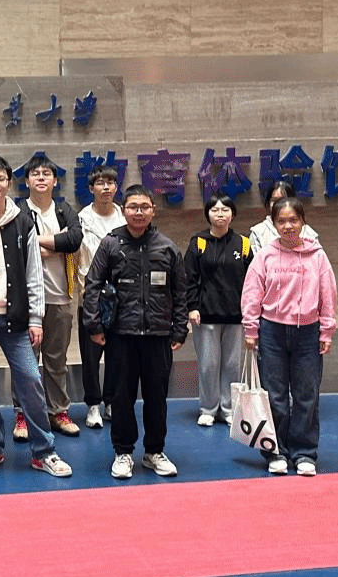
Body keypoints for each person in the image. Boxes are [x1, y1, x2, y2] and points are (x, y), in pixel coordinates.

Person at [0, 155, 72, 477]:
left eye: (0, 178)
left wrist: (35, 317)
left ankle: (44, 451)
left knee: (31, 380)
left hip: (15, 319)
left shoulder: (22, 222)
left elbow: (33, 273)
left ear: (9, 183)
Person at [82, 185, 187, 480]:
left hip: (158, 336)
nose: (138, 212)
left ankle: (154, 452)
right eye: (132, 207)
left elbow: (180, 292)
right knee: (121, 397)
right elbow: (92, 285)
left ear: (153, 210)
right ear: (124, 210)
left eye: (144, 207)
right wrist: (94, 325)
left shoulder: (167, 247)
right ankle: (123, 452)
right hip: (121, 335)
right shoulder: (111, 244)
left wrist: (179, 329)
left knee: (157, 398)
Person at [242, 197, 337, 477]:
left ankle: (305, 452)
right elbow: (252, 293)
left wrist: (327, 330)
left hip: (308, 332)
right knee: (275, 395)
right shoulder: (265, 256)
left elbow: (328, 294)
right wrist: (251, 329)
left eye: (293, 220)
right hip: (272, 331)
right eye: (281, 221)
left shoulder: (317, 256)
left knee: (307, 394)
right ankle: (276, 451)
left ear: (303, 222)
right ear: (273, 224)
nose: (288, 226)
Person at [11, 154, 83, 441]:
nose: (41, 177)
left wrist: (38, 242)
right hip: (26, 300)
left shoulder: (64, 210)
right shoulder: (17, 211)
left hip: (60, 296)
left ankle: (58, 411)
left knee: (56, 360)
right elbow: (16, 243)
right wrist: (56, 243)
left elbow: (74, 239)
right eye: (35, 174)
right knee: (25, 361)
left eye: (46, 174)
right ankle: (23, 414)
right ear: (27, 181)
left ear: (55, 181)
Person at [184, 193, 252, 427]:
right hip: (206, 315)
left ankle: (229, 408)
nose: (220, 214)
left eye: (225, 210)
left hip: (235, 315)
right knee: (208, 365)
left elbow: (252, 281)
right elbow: (189, 278)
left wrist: (250, 311)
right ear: (208, 214)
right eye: (215, 210)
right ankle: (208, 409)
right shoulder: (198, 243)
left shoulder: (244, 244)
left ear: (232, 214)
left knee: (232, 365)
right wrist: (192, 307)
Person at [76, 164, 126, 429]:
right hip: (91, 295)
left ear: (116, 187)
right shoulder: (81, 220)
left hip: (121, 297)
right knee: (90, 356)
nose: (106, 187)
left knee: (117, 354)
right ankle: (93, 404)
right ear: (91, 188)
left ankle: (111, 402)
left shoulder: (125, 217)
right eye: (100, 183)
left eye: (110, 183)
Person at [248, 180, 318, 253]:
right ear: (268, 203)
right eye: (274, 200)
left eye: (283, 200)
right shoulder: (258, 232)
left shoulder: (308, 232)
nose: (278, 204)